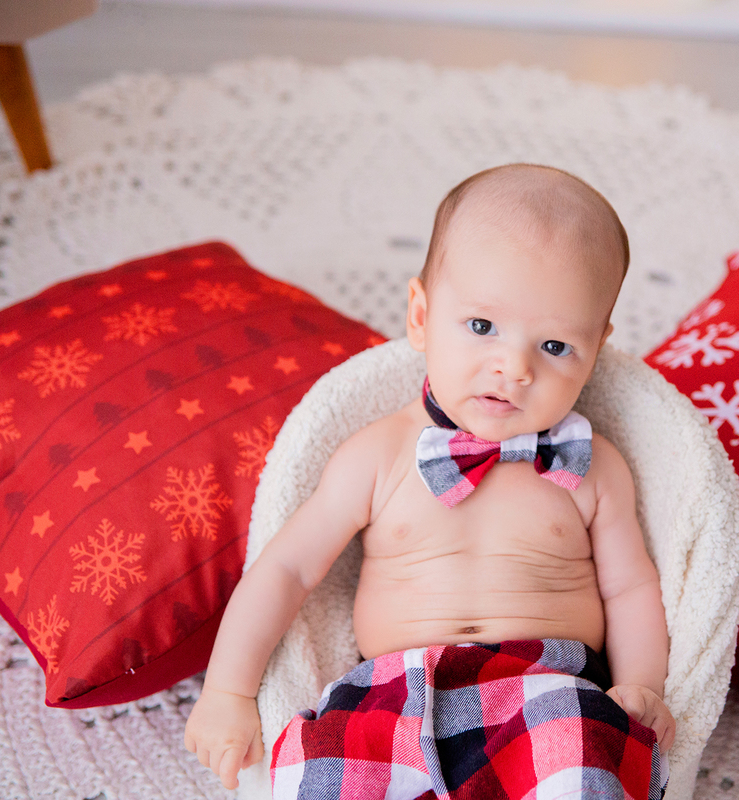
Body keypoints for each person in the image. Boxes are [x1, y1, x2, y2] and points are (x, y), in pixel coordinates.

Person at [185, 163, 675, 799]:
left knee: (587, 765)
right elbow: (286, 570)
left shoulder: (593, 467)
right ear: (420, 315)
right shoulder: (379, 453)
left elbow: (632, 585)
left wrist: (640, 685)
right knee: (319, 770)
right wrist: (227, 691)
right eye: (481, 327)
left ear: (598, 348)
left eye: (555, 347)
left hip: (549, 691)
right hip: (385, 696)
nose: (514, 368)